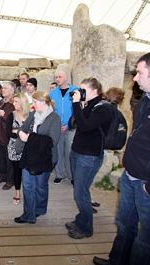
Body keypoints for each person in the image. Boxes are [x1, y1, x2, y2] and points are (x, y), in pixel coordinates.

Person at [93, 53, 150, 265]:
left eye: (140, 73)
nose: (135, 79)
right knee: (124, 224)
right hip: (131, 175)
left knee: (145, 239)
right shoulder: (145, 101)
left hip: (146, 184)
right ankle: (117, 260)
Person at [67, 77, 113, 239]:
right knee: (79, 190)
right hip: (78, 151)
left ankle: (86, 228)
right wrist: (81, 106)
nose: (80, 93)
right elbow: (75, 123)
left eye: (83, 90)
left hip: (90, 156)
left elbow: (86, 127)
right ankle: (81, 220)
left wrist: (76, 104)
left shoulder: (104, 108)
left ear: (95, 91)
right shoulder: (89, 104)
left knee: (81, 193)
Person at [14, 91, 61, 224]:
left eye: (35, 102)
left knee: (41, 186)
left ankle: (40, 208)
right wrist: (21, 132)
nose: (32, 105)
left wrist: (29, 137)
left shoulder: (54, 118)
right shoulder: (33, 115)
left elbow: (52, 141)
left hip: (46, 157)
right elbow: (23, 128)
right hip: (29, 155)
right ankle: (29, 214)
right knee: (28, 185)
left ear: (43, 102)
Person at [49, 70, 79, 184]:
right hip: (57, 126)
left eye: (60, 77)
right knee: (58, 150)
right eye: (56, 77)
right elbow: (52, 110)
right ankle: (60, 174)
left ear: (66, 78)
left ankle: (72, 176)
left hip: (71, 126)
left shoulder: (75, 90)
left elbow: (78, 110)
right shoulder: (53, 93)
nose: (57, 79)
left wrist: (68, 124)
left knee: (70, 152)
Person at [6, 93, 30, 204]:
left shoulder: (31, 115)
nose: (13, 104)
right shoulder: (11, 115)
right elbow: (8, 133)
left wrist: (17, 131)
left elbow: (34, 130)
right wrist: (22, 133)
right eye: (13, 101)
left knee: (28, 171)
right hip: (14, 146)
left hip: (29, 146)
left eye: (16, 101)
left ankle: (28, 192)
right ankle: (17, 192)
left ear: (22, 103)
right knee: (17, 170)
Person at [0, 81, 16, 190]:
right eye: (2, 88)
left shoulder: (14, 103)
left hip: (8, 135)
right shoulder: (1, 102)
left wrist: (4, 115)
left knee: (9, 159)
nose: (3, 90)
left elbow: (16, 119)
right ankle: (2, 176)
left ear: (12, 90)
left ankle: (10, 180)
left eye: (5, 88)